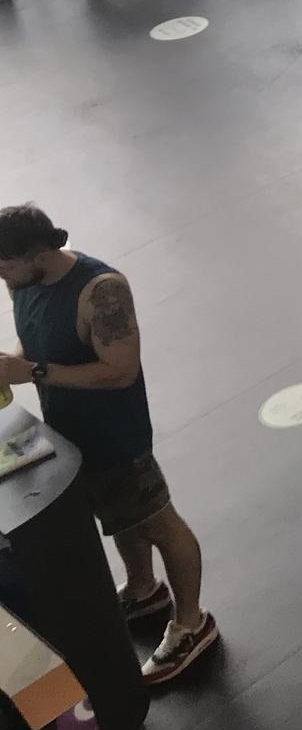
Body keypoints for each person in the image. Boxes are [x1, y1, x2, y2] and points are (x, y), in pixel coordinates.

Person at [0, 206, 218, 686]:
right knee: (119, 516)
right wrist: (11, 364)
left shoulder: (102, 291)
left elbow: (120, 372)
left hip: (116, 435)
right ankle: (143, 589)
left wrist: (32, 372)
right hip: (71, 430)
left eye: (5, 264)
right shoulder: (23, 281)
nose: (0, 274)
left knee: (158, 522)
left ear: (38, 253)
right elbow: (33, 340)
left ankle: (191, 622)